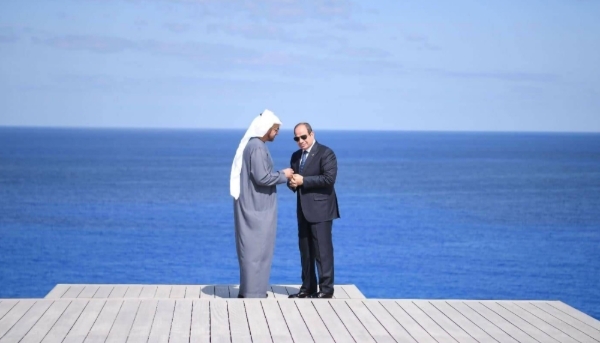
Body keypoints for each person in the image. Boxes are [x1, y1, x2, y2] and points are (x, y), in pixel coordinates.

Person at [230, 109, 294, 298]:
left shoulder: (253, 145)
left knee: (255, 250)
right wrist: (284, 175)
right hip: (257, 209)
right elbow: (262, 177)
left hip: (255, 206)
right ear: (266, 129)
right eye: (275, 129)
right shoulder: (257, 147)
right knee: (256, 251)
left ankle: (252, 290)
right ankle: (253, 293)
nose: (277, 133)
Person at [287, 123, 340, 299]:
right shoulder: (295, 156)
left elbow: (329, 179)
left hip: (322, 209)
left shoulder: (326, 153)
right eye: (297, 138)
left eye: (303, 137)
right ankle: (307, 287)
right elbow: (295, 181)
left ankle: (326, 289)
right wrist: (292, 183)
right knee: (305, 250)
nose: (300, 141)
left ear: (312, 134)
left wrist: (303, 181)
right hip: (303, 209)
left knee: (322, 251)